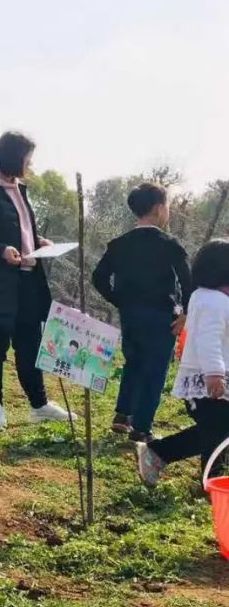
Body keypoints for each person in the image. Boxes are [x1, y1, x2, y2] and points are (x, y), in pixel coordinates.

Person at [0, 131, 73, 429]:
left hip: (27, 280)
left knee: (29, 344)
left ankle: (39, 403)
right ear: (13, 156)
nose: (30, 164)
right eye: (27, 158)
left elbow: (19, 229)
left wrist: (37, 242)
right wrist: (0, 251)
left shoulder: (18, 189)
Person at [93, 183, 190, 444]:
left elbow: (99, 277)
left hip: (131, 314)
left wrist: (119, 300)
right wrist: (185, 314)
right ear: (159, 209)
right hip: (161, 316)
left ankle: (122, 415)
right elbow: (187, 280)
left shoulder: (119, 244)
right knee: (155, 369)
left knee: (133, 363)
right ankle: (142, 427)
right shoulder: (169, 244)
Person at [136, 239, 229, 487]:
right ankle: (212, 482)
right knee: (217, 433)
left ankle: (159, 454)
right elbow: (209, 339)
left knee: (215, 432)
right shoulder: (215, 302)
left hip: (208, 380)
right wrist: (214, 373)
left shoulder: (203, 298)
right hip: (209, 381)